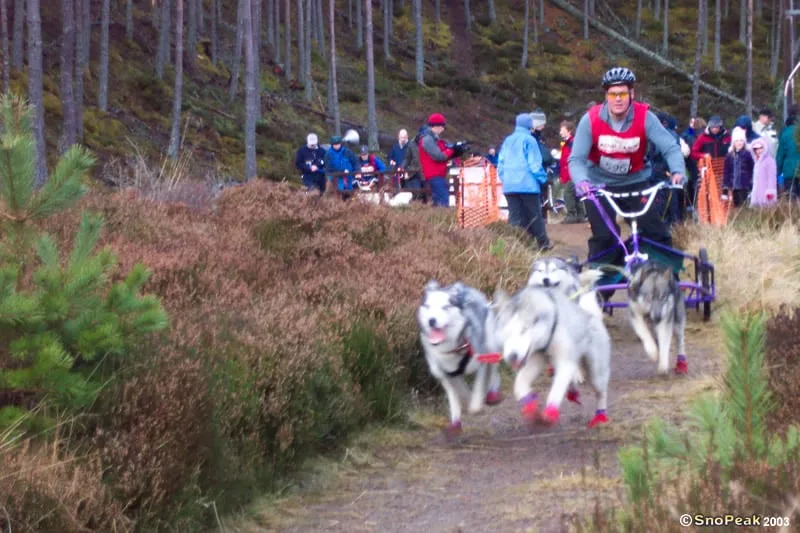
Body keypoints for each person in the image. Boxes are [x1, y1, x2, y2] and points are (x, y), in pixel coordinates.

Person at [567, 66, 686, 272]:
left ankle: (668, 280)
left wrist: (677, 171)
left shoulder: (645, 117)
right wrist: (581, 181)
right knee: (604, 237)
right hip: (599, 186)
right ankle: (600, 290)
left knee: (656, 232)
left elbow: (669, 147)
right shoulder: (591, 120)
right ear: (606, 96)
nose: (618, 99)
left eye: (622, 93)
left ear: (631, 93)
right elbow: (576, 159)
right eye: (613, 94)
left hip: (636, 183)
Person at [497, 113, 553, 250]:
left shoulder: (507, 140)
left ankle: (515, 245)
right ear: (530, 125)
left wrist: (506, 179)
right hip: (527, 185)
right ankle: (543, 243)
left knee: (515, 217)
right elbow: (534, 164)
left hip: (510, 186)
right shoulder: (529, 140)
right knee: (534, 215)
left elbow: (501, 164)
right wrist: (544, 179)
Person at [418, 113, 468, 207]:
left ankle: (434, 220)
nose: (443, 129)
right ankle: (439, 220)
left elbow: (444, 154)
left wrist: (457, 151)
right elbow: (439, 156)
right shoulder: (427, 140)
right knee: (443, 202)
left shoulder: (433, 139)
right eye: (441, 126)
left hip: (438, 174)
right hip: (434, 174)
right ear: (435, 126)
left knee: (439, 202)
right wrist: (453, 149)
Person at [558, 119, 585, 223]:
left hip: (572, 173)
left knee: (568, 193)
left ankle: (572, 214)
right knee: (575, 193)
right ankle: (580, 215)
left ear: (569, 130)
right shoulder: (567, 143)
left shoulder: (572, 142)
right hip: (569, 172)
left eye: (562, 129)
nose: (560, 132)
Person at [722, 127, 754, 208]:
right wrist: (725, 188)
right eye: (737, 141)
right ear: (733, 142)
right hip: (734, 186)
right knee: (737, 205)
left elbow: (751, 170)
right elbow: (726, 172)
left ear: (744, 142)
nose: (739, 143)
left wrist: (751, 184)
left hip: (745, 185)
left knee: (745, 205)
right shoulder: (729, 155)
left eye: (741, 140)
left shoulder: (748, 154)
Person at [750, 138, 778, 207]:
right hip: (757, 195)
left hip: (767, 195)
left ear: (765, 148)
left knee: (767, 211)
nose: (759, 151)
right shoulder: (757, 161)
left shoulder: (770, 161)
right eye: (756, 149)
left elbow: (772, 178)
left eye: (761, 148)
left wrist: (770, 192)